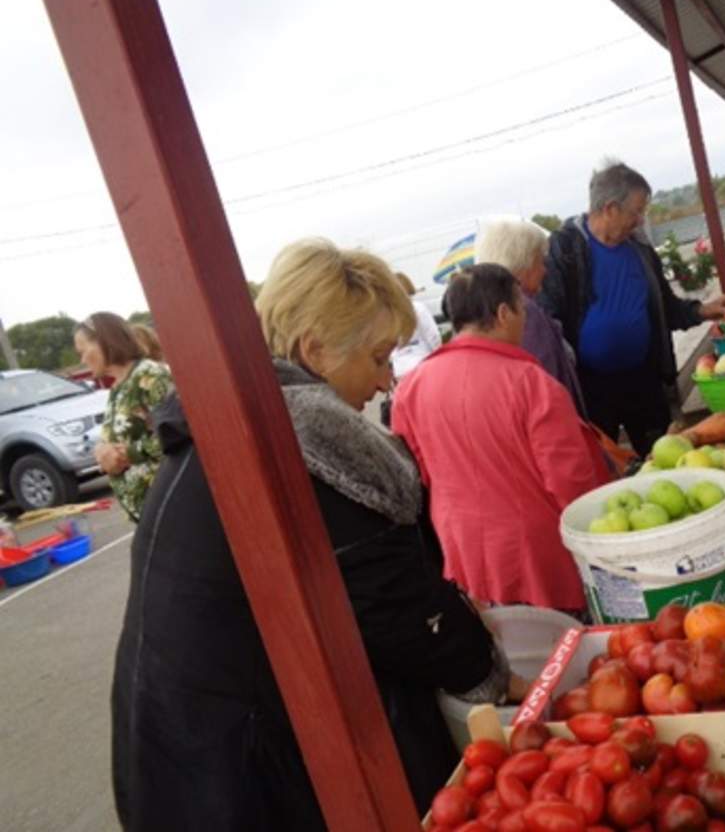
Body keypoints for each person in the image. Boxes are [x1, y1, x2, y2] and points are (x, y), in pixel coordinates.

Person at [111, 239, 524, 830]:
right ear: (317, 350)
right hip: (232, 771)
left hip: (176, 746)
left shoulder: (229, 426)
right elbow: (392, 604)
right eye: (380, 357)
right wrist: (491, 671)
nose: (386, 384)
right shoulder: (309, 446)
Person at [392, 263, 610, 616]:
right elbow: (571, 484)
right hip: (539, 558)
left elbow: (421, 474)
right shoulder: (532, 384)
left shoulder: (410, 389)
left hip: (465, 552)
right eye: (522, 308)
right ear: (504, 313)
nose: (525, 320)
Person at [541, 161, 725, 455]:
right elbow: (548, 324)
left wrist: (706, 309)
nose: (640, 220)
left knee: (665, 455)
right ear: (610, 208)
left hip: (644, 380)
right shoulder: (564, 250)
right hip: (591, 390)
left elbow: (665, 306)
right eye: (636, 211)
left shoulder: (638, 248)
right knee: (605, 468)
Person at [475, 217, 587, 415]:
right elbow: (546, 384)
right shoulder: (523, 313)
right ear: (521, 265)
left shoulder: (484, 310)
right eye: (540, 261)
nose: (545, 270)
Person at [74, 312, 173, 522]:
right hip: (149, 513)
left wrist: (127, 454)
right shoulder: (118, 387)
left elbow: (176, 432)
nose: (83, 360)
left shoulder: (150, 376)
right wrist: (103, 452)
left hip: (171, 506)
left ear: (104, 342)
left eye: (83, 351)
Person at [390, 272, 443, 379]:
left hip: (400, 369)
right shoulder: (418, 308)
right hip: (422, 363)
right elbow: (433, 336)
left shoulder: (388, 314)